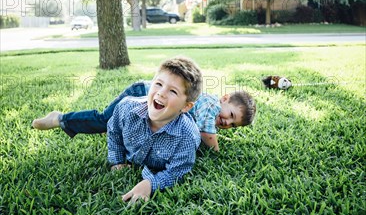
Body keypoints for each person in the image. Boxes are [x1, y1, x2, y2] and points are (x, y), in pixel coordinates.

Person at [33, 77, 256, 152]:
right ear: (224, 99)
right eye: (231, 115)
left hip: (155, 107)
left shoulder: (210, 115)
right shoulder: (209, 104)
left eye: (232, 125)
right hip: (143, 95)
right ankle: (60, 119)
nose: (227, 122)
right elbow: (207, 133)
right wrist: (216, 151)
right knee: (105, 121)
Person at [105, 56, 203, 202]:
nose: (161, 93)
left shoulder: (187, 136)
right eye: (158, 84)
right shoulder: (126, 108)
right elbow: (114, 132)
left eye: (173, 91)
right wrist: (117, 161)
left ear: (186, 106)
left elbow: (176, 172)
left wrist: (150, 184)